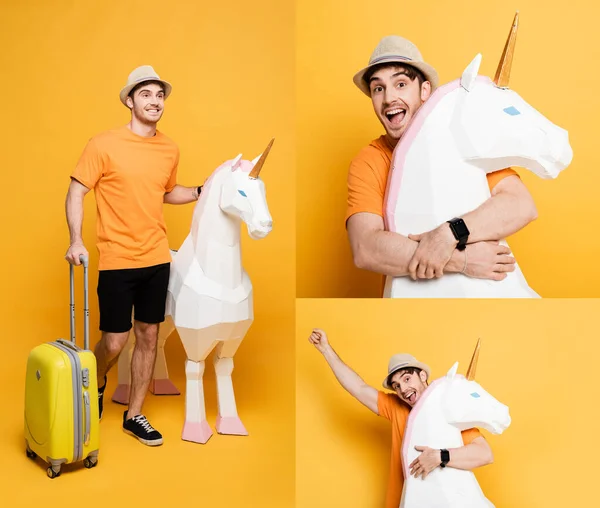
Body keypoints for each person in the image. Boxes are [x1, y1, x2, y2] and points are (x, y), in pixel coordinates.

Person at [65, 65, 203, 446]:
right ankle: (96, 377)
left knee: (149, 335)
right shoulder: (103, 144)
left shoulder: (169, 148)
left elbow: (165, 191)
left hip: (157, 257)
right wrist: (76, 240)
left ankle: (135, 415)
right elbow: (76, 191)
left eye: (160, 95)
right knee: (114, 340)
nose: (155, 101)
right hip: (116, 258)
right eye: (146, 94)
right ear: (130, 100)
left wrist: (199, 191)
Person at [347, 36, 538, 286]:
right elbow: (366, 248)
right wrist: (463, 260)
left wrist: (449, 234)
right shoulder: (369, 160)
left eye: (401, 84)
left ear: (425, 91)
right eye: (378, 88)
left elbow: (521, 205)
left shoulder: (462, 142)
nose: (388, 98)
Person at [309, 329, 493, 508]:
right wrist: (325, 349)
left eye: (406, 379)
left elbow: (484, 453)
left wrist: (439, 456)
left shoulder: (447, 408)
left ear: (422, 376)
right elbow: (359, 388)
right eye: (396, 386)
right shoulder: (396, 407)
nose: (403, 390)